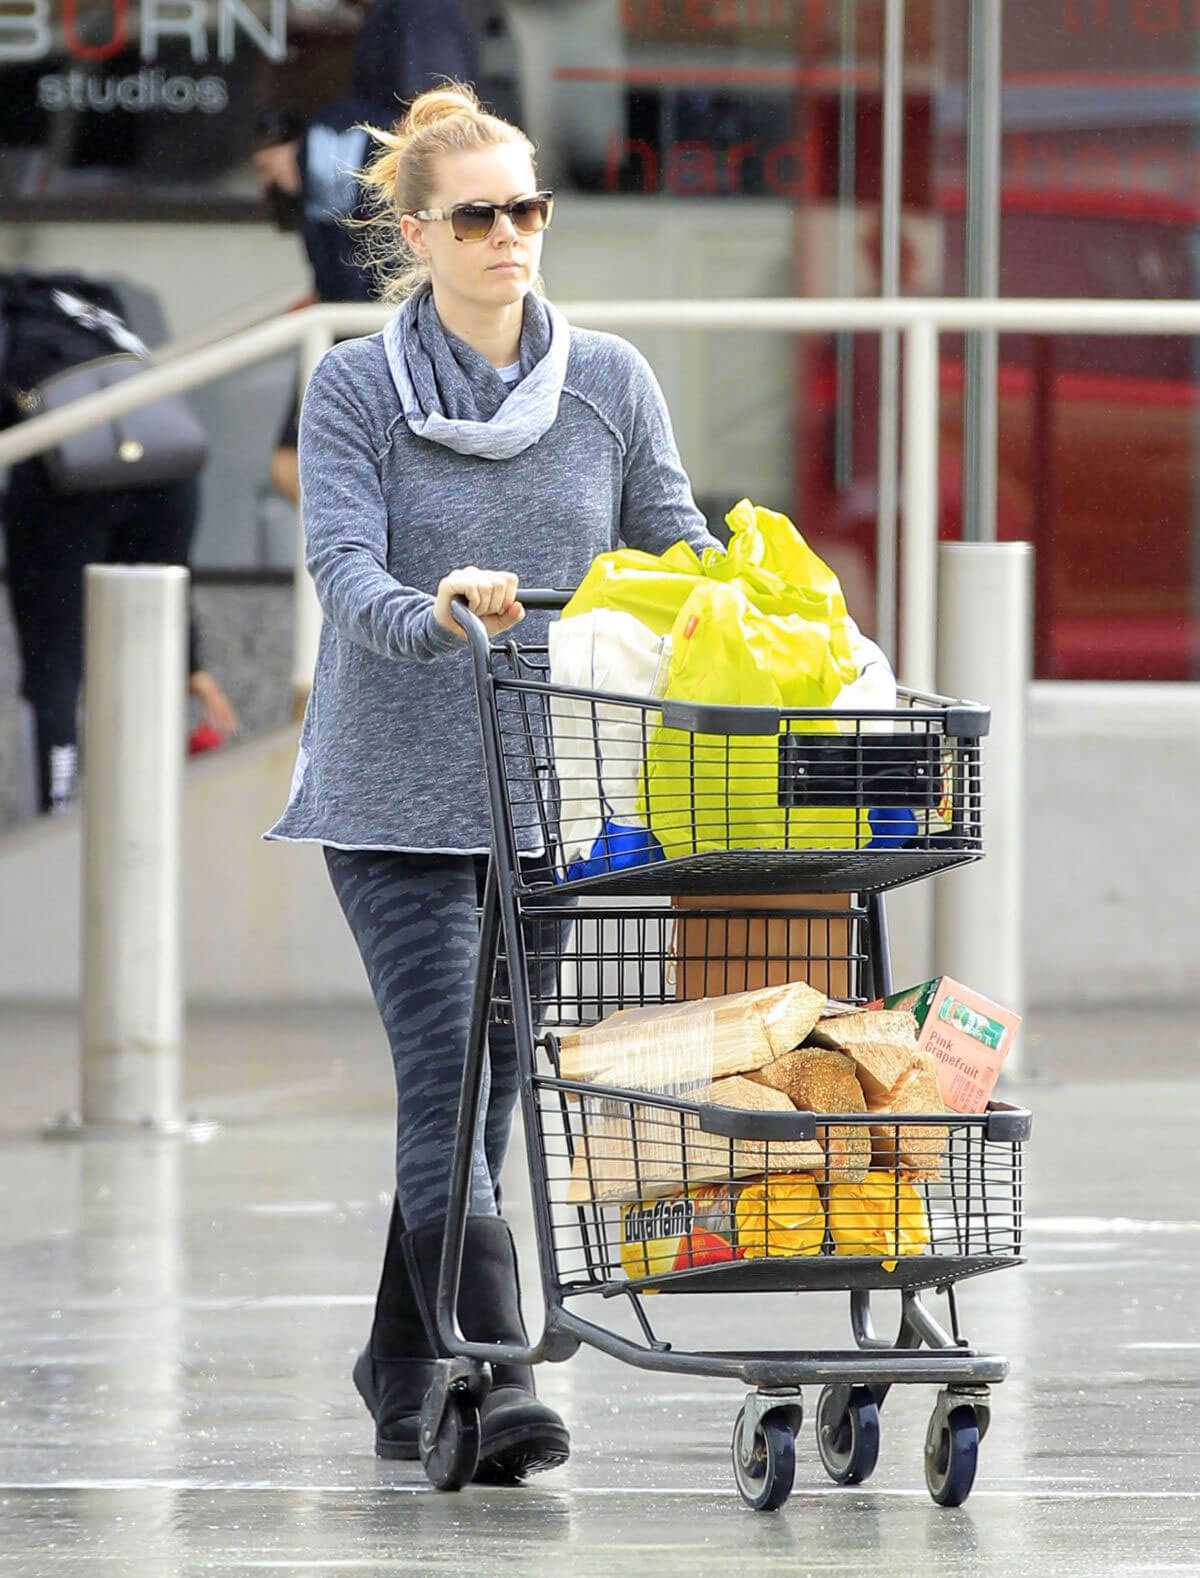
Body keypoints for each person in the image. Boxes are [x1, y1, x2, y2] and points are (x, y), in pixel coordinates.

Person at [263, 80, 722, 1483]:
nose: (513, 233)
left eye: (530, 206)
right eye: (480, 215)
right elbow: (341, 566)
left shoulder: (610, 384)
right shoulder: (354, 385)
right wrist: (435, 606)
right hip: (392, 796)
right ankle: (504, 1364)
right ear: (419, 231)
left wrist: (725, 596)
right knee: (444, 1072)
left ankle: (402, 1369)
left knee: (486, 1095)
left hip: (547, 795)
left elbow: (673, 544)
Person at [1, 272, 238, 814]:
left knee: (54, 662)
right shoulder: (90, 301)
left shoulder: (13, 311)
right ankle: (145, 807)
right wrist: (192, 659)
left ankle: (53, 809)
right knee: (153, 628)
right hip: (164, 460)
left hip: (67, 474)